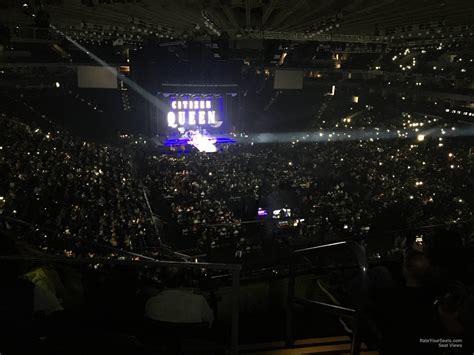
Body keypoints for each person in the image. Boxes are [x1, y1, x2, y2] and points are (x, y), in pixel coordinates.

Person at [145, 267, 214, 326]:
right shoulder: (199, 301)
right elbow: (210, 322)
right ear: (184, 279)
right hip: (192, 340)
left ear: (162, 279)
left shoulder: (151, 303)